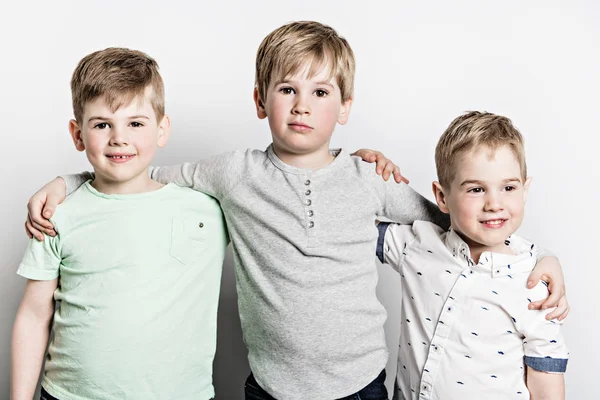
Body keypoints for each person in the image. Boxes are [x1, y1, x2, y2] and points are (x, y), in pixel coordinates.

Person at [23, 22, 568, 400]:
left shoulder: (368, 179)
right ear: (261, 101)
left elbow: (459, 221)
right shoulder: (232, 173)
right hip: (271, 389)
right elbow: (138, 172)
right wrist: (68, 181)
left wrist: (541, 259)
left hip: (361, 386)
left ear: (346, 107)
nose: (303, 104)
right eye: (286, 89)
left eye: (321, 91)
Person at [11, 48, 229, 399]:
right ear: (78, 133)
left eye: (136, 123)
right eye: (101, 125)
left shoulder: (208, 209)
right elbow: (35, 316)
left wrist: (353, 163)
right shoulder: (57, 214)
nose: (119, 138)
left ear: (162, 129)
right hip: (69, 395)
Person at [377, 111, 568, 400]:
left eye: (508, 187)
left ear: (524, 190)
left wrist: (547, 256)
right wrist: (361, 166)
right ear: (442, 197)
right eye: (477, 189)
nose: (494, 203)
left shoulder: (534, 284)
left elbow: (546, 388)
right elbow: (350, 219)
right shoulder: (416, 246)